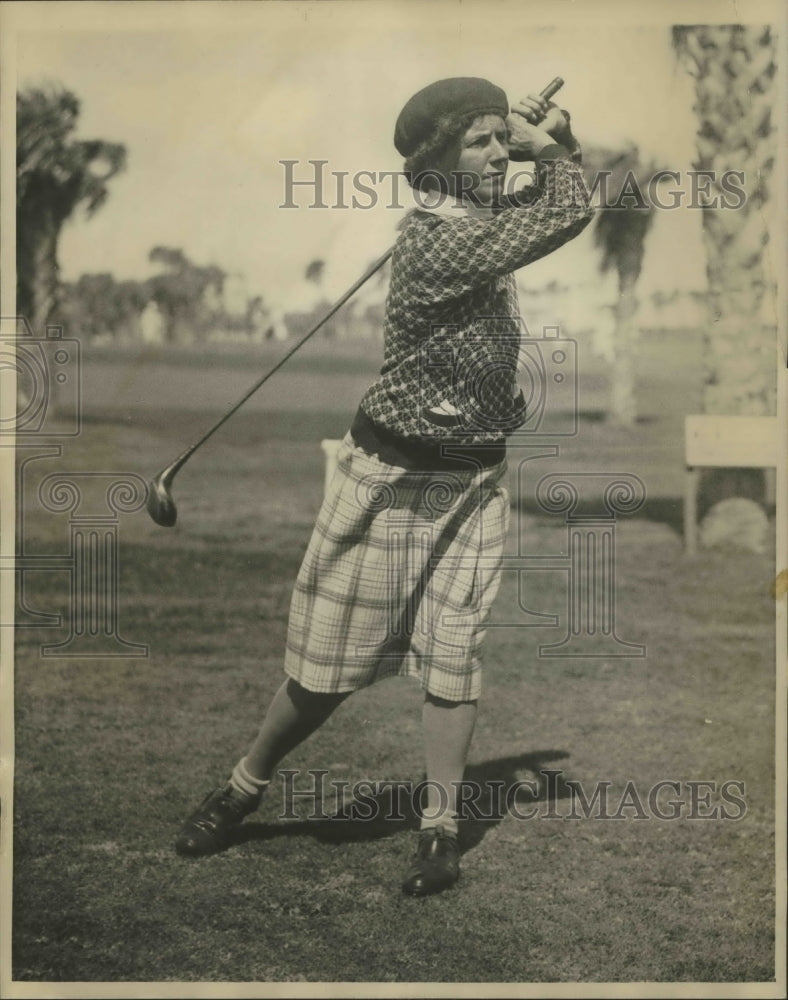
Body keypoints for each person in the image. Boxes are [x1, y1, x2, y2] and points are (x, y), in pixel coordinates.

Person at [175, 76, 593, 896]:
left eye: (499, 137)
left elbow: (545, 203)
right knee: (326, 670)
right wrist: (558, 154)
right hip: (389, 479)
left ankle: (439, 835)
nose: (500, 151)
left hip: (472, 479)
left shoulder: (479, 222)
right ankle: (243, 788)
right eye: (479, 142)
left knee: (454, 658)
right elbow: (564, 212)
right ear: (437, 164)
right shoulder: (438, 245)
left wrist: (556, 148)